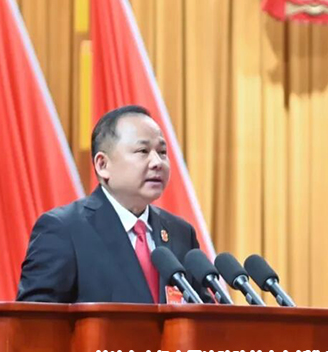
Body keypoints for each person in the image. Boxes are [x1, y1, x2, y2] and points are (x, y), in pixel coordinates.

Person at [16, 105, 205, 303]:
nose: (157, 162)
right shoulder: (64, 230)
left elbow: (201, 311)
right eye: (143, 151)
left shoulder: (180, 233)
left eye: (162, 152)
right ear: (102, 165)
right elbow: (35, 317)